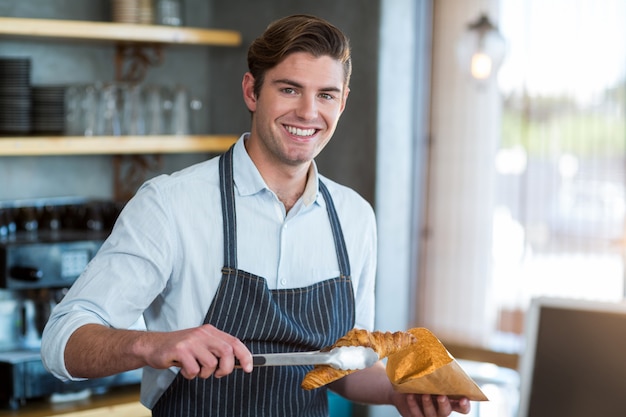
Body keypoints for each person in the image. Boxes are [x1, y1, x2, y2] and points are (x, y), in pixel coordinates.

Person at [41, 14, 471, 417]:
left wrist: (399, 391)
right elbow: (62, 341)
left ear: (342, 103)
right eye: (289, 89)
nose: (308, 112)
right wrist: (152, 345)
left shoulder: (354, 217)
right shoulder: (171, 204)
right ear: (251, 91)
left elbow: (343, 365)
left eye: (326, 95)